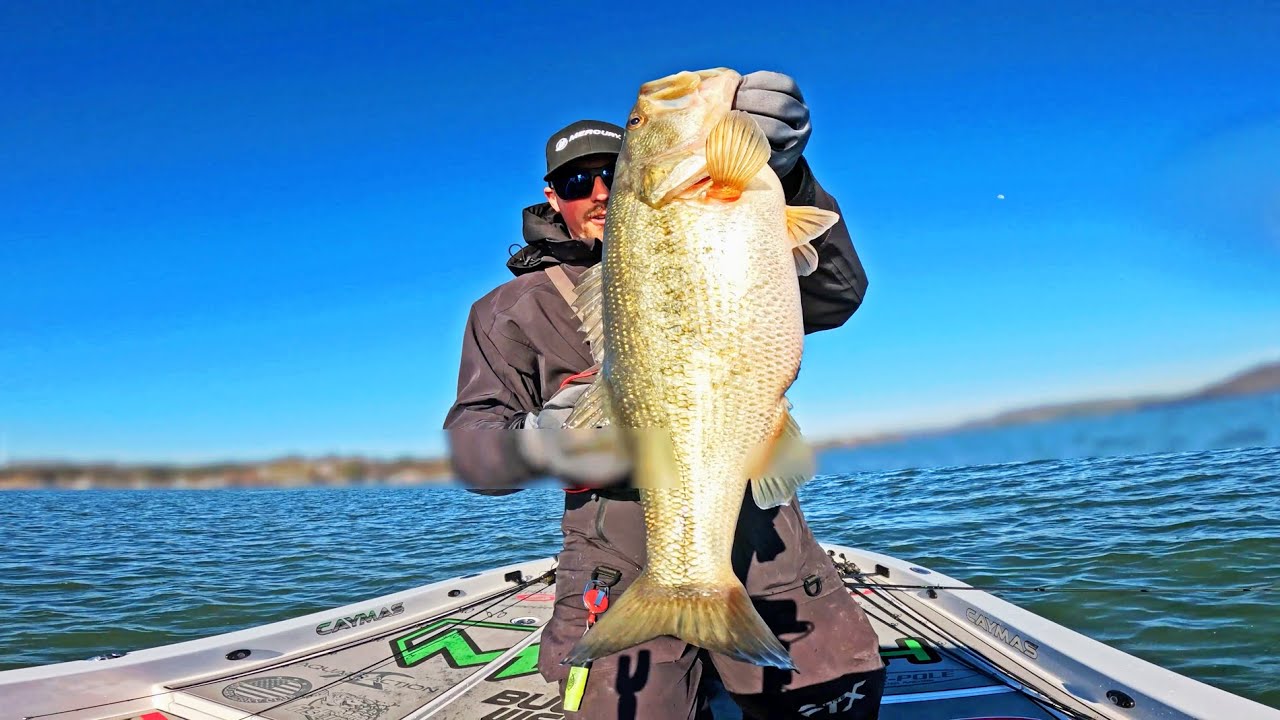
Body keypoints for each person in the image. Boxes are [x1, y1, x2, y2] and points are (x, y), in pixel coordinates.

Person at [444, 72, 885, 719]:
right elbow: (472, 452)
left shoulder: (722, 219)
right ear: (550, 196)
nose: (596, 192)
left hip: (770, 540)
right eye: (575, 182)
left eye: (611, 173)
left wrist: (789, 178)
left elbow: (837, 291)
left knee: (831, 701)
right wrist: (540, 442)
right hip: (615, 563)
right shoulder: (507, 310)